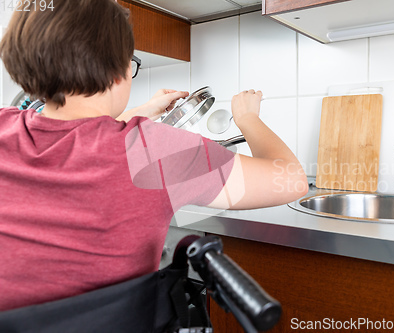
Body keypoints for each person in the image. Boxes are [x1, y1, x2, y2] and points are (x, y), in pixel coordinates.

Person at [0, 0, 308, 312]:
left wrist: (139, 113)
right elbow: (292, 180)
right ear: (118, 70)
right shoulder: (152, 150)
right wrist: (249, 119)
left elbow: (72, 133)